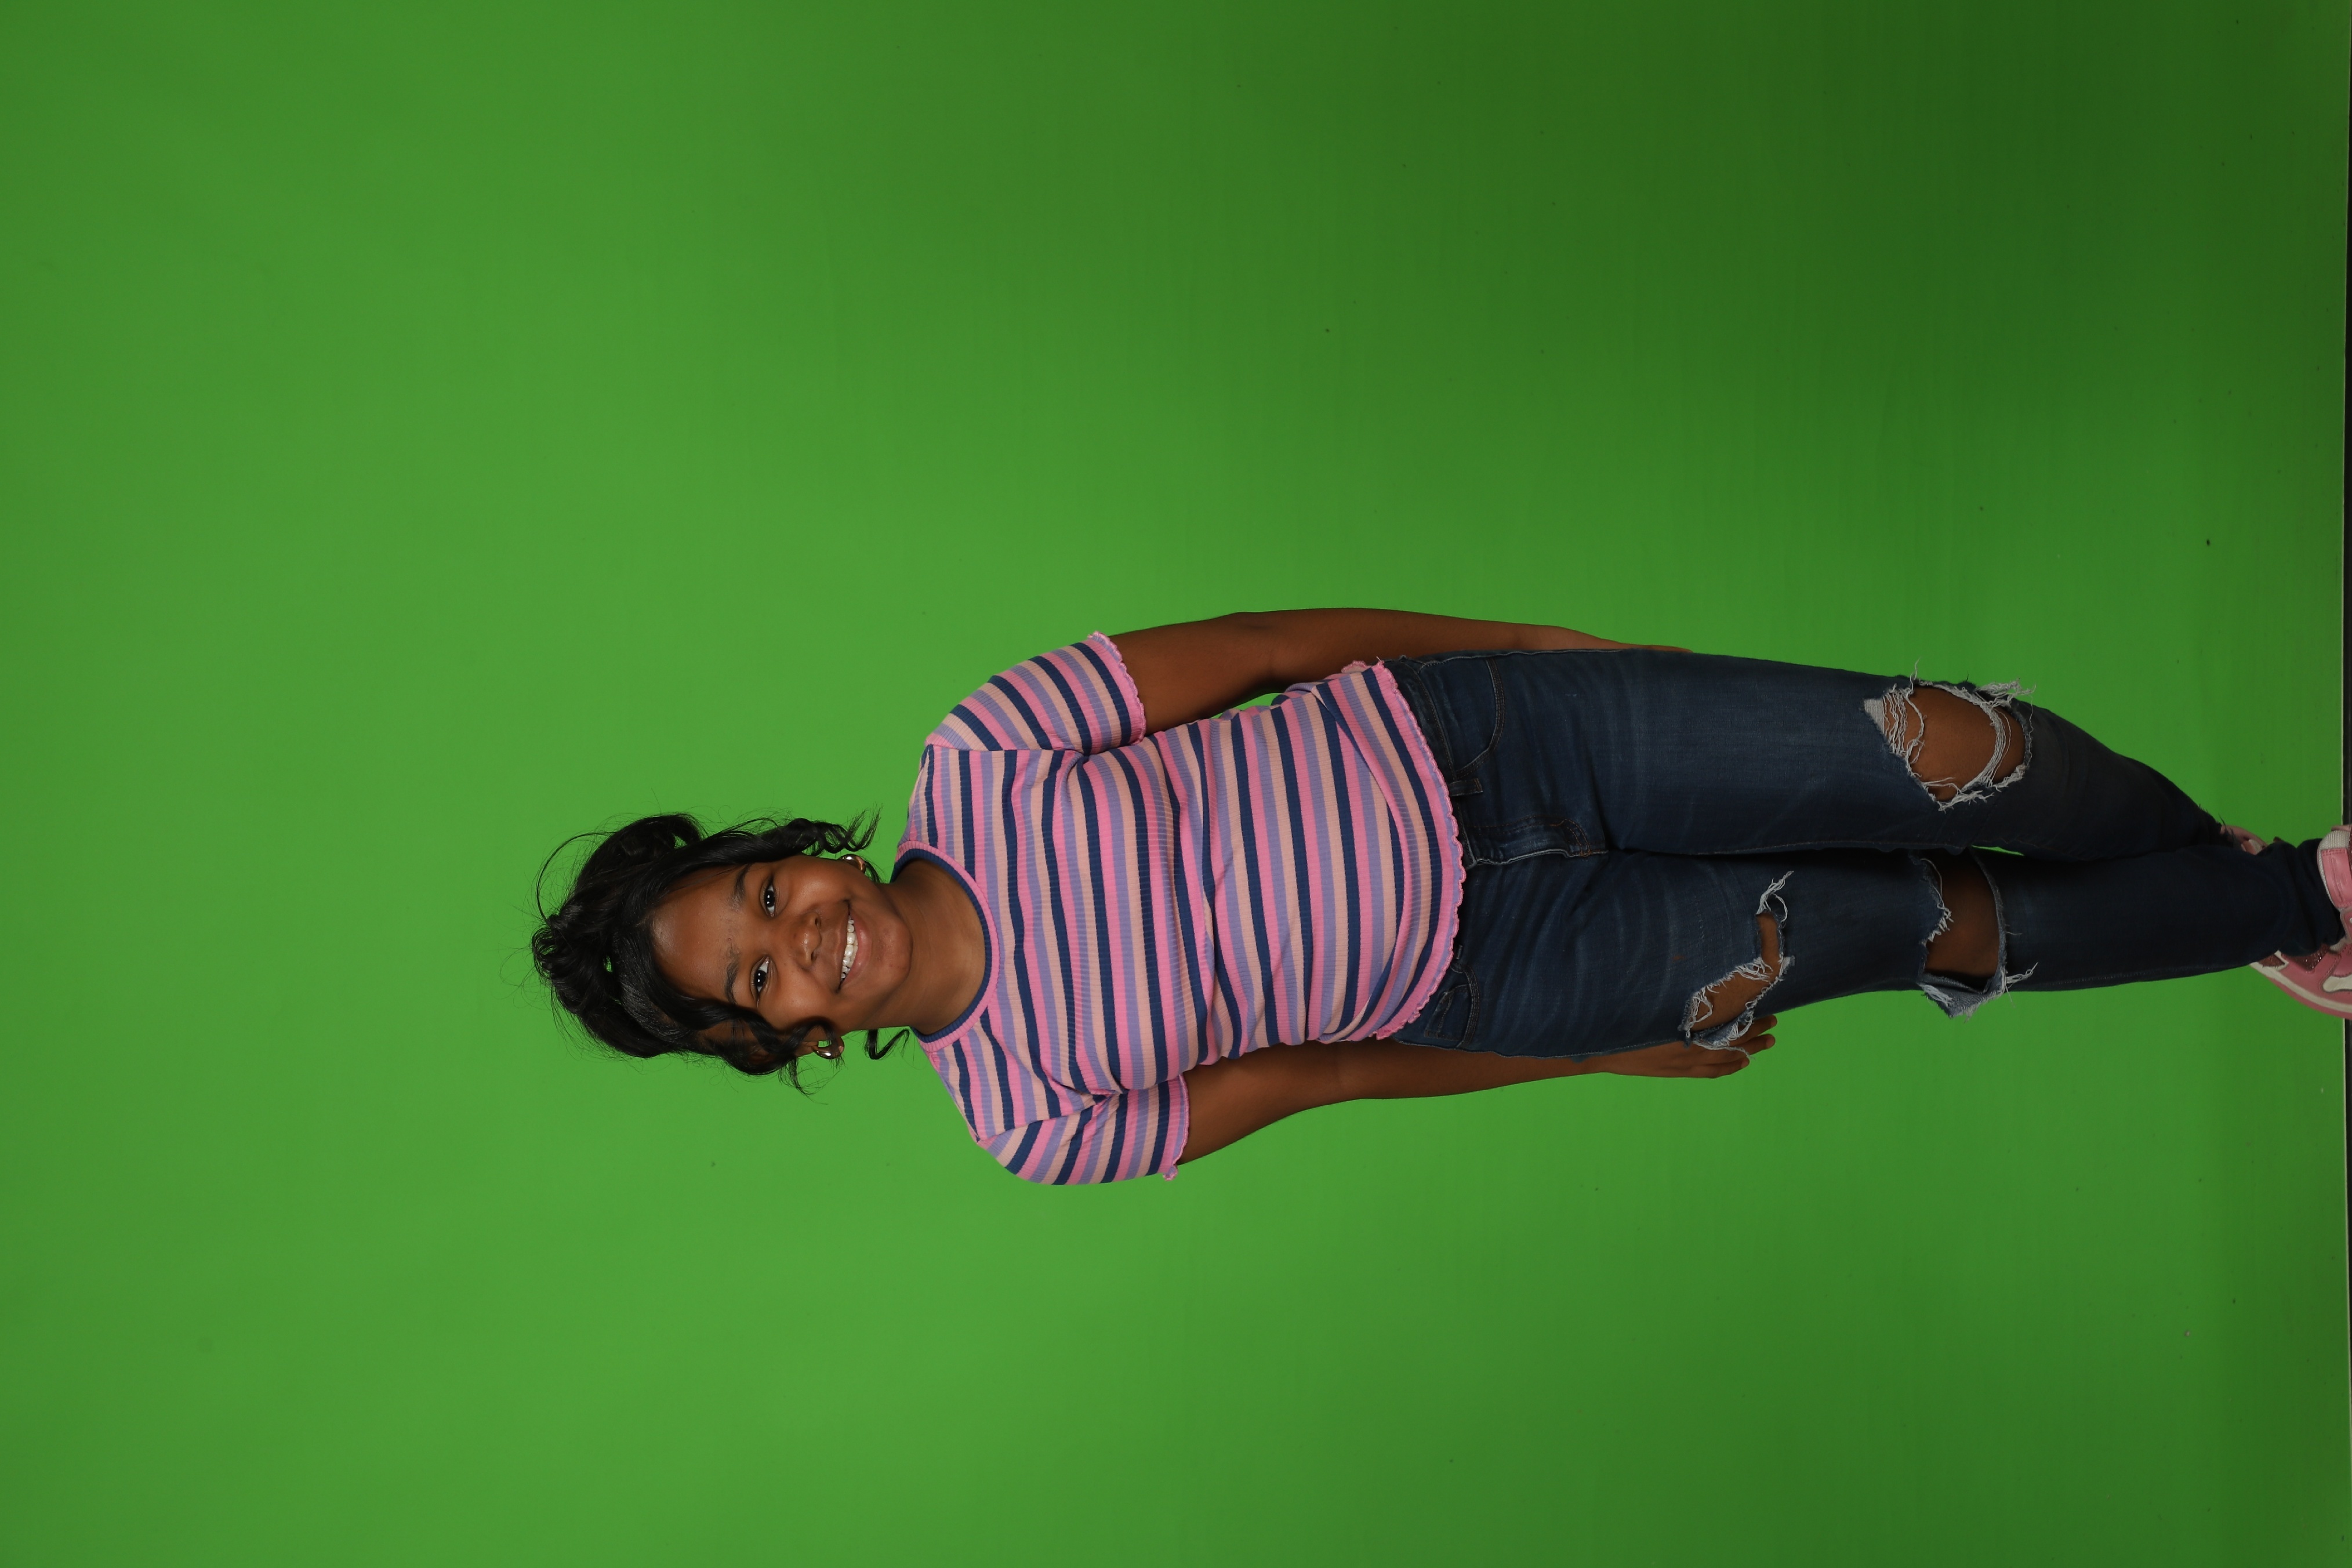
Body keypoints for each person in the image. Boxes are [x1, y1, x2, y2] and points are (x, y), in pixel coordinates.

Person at [530, 609, 2352, 1184]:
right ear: (769, 1038)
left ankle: (2240, 881)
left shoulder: (983, 744)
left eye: (763, 892)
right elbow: (1327, 1075)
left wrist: (1539, 651)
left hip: (1500, 739)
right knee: (1941, 920)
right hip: (1529, 967)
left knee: (1964, 751)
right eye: (757, 979)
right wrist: (1599, 1054)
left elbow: (1279, 646)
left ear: (787, 849)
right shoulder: (1030, 1118)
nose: (799, 937)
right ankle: (2293, 902)